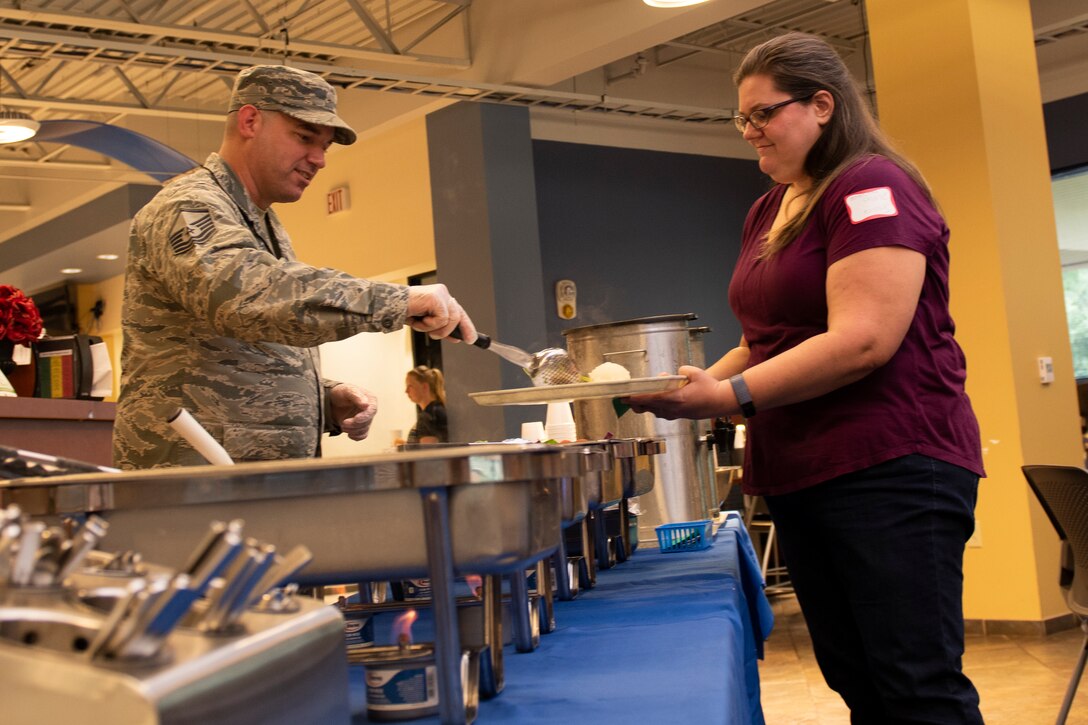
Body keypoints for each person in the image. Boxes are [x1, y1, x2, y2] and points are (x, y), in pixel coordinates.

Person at [627, 32, 984, 723]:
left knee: (916, 685)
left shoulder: (872, 186)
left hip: (889, 465)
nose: (750, 131)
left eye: (764, 113)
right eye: (743, 118)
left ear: (823, 105)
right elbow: (766, 340)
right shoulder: (769, 208)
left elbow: (863, 340)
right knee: (859, 680)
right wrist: (693, 387)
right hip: (803, 471)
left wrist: (728, 395)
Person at [113, 64, 476, 469]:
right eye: (304, 137)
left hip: (244, 475)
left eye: (325, 146)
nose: (319, 160)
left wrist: (321, 398)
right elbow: (241, 296)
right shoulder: (190, 205)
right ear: (250, 121)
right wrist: (397, 300)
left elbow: (246, 346)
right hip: (192, 478)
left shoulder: (261, 220)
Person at [404, 366, 448, 444]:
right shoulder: (439, 409)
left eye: (410, 386)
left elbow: (428, 451)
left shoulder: (428, 416)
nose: (406, 391)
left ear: (424, 387)